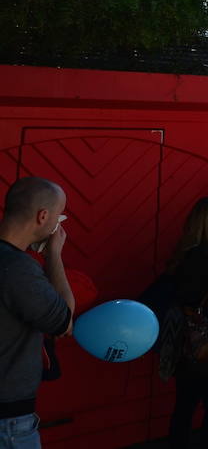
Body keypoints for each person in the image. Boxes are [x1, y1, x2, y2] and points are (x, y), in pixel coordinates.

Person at [0, 178, 74, 449]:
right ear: (43, 217)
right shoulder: (18, 268)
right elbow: (64, 322)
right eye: (59, 217)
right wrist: (54, 254)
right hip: (8, 419)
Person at [163, 196, 208, 449]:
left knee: (185, 405)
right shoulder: (206, 259)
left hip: (186, 343)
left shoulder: (191, 253)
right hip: (206, 345)